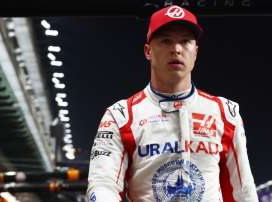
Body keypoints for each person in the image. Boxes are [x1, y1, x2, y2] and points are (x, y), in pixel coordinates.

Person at [86, 5, 258, 202]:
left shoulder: (226, 112)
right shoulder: (120, 116)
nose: (176, 49)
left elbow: (243, 191)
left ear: (195, 52)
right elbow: (103, 184)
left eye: (185, 41)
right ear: (148, 51)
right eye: (166, 41)